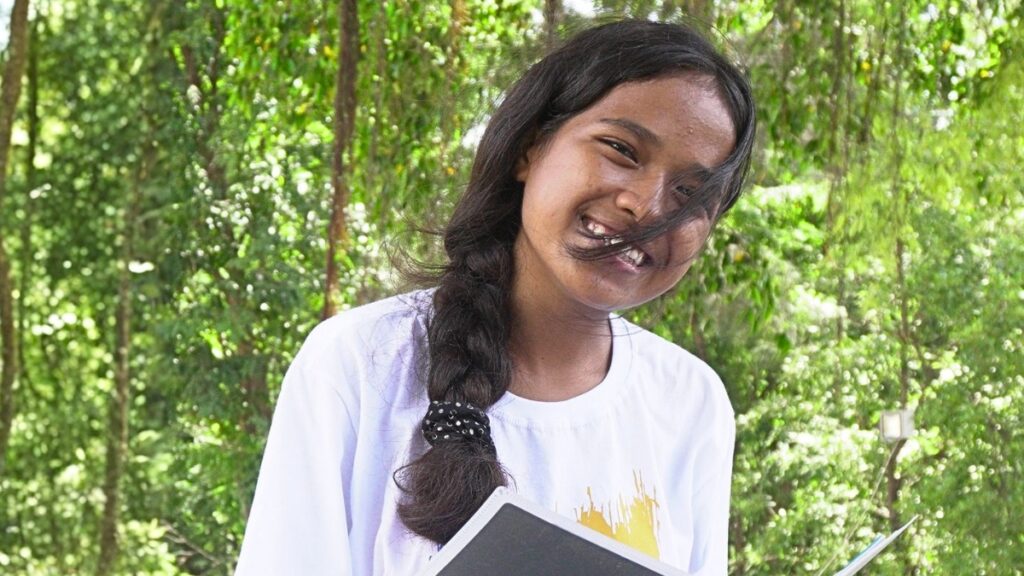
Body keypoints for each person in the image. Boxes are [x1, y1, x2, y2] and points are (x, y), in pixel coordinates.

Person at [235, 18, 755, 576]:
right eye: (621, 150)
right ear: (530, 146)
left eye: (691, 192)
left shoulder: (690, 403)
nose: (647, 206)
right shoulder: (362, 364)